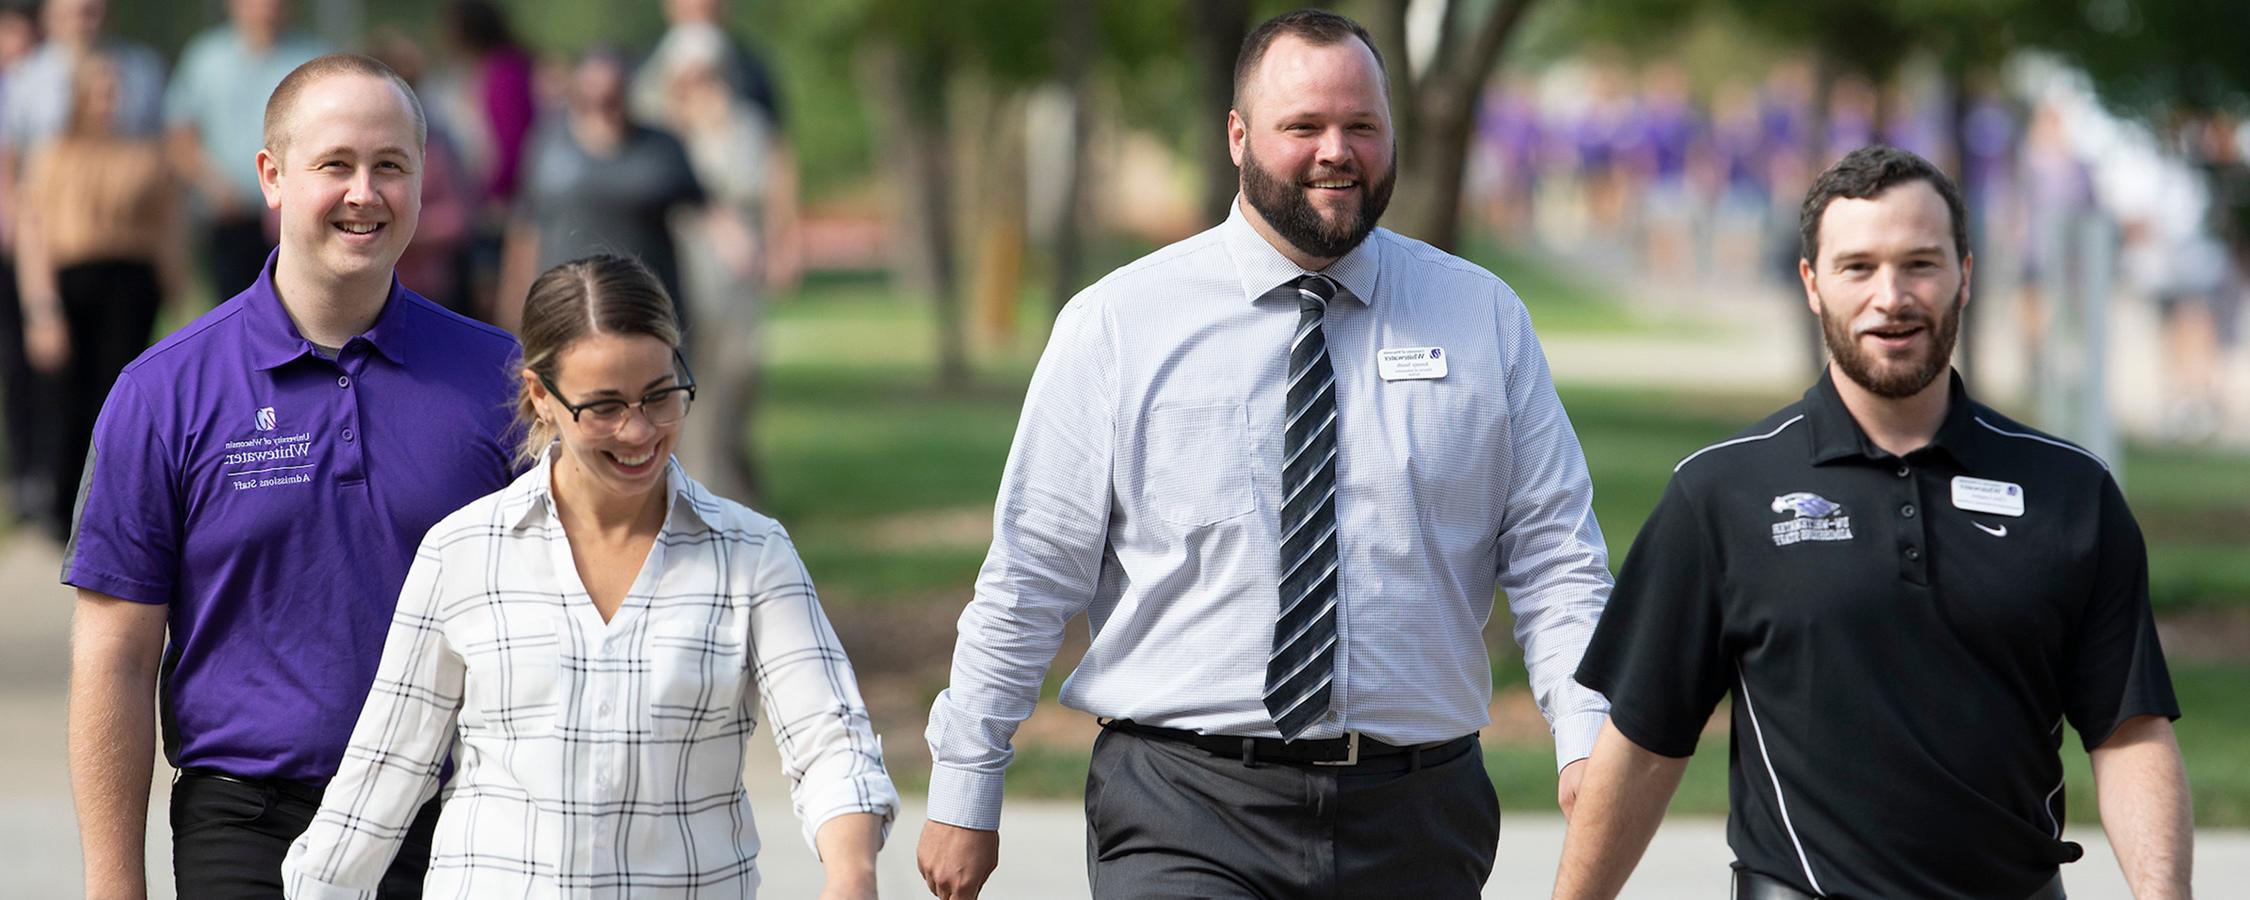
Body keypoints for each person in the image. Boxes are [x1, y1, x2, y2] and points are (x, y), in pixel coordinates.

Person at [919, 10, 1614, 899]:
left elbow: (1557, 557)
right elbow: (1029, 573)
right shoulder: (1120, 326)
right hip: (1183, 805)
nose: (1338, 151)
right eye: (1305, 127)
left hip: (1418, 815)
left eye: (1362, 126)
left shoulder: (1480, 319)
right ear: (1239, 138)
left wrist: (1587, 736)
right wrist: (965, 785)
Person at [1556, 145, 2192, 899]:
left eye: (1919, 264)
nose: (1891, 296)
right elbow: (1642, 745)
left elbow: (2129, 732)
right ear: (1812, 285)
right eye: (1857, 267)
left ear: (1966, 273)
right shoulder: (1720, 493)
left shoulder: (2071, 492)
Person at [282, 253, 895, 898]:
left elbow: (830, 741)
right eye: (604, 406)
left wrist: (851, 874)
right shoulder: (462, 552)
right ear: (541, 396)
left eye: (660, 396)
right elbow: (384, 774)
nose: (638, 431)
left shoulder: (752, 555)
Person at [63, 53, 522, 898]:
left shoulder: (500, 379)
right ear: (272, 176)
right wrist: (111, 882)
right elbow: (115, 658)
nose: (365, 193)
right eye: (335, 165)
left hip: (454, 822)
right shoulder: (162, 394)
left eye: (392, 167)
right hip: (249, 823)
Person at [15, 50, 183, 541]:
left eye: (115, 92)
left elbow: (165, 231)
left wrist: (175, 297)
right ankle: (61, 504)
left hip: (128, 285)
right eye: (100, 92)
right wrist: (41, 308)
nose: (109, 102)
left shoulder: (142, 157)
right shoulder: (51, 157)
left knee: (119, 398)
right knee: (63, 396)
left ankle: (115, 504)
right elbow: (34, 236)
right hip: (72, 282)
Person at [497, 49, 710, 333]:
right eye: (594, 95)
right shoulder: (547, 145)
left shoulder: (661, 147)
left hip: (645, 303)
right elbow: (525, 227)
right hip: (567, 304)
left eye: (611, 94)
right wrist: (513, 299)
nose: (602, 103)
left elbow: (705, 208)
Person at [163, 0, 327, 303]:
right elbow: (180, 137)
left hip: (294, 215)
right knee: (236, 311)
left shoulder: (313, 56)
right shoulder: (206, 58)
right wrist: (214, 186)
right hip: (230, 218)